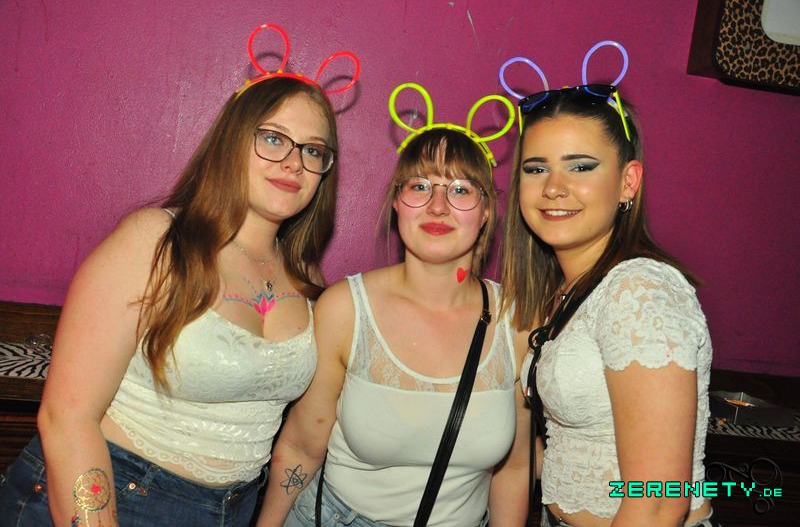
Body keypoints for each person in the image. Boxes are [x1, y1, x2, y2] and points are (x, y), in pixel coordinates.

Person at [0, 69, 342, 525]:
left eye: (313, 150)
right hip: (113, 493)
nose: (294, 162)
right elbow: (67, 415)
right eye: (274, 139)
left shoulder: (307, 279)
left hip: (233, 510)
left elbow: (300, 441)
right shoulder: (156, 241)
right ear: (232, 140)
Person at [257, 123, 530, 526]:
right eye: (420, 186)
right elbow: (300, 447)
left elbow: (515, 468)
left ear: (486, 211)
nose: (438, 206)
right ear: (397, 202)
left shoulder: (517, 320)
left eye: (460, 190)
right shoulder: (345, 309)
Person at [500, 84, 716, 526]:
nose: (553, 188)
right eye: (536, 168)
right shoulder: (568, 292)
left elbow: (659, 502)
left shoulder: (639, 291)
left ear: (627, 181)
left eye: (580, 166)